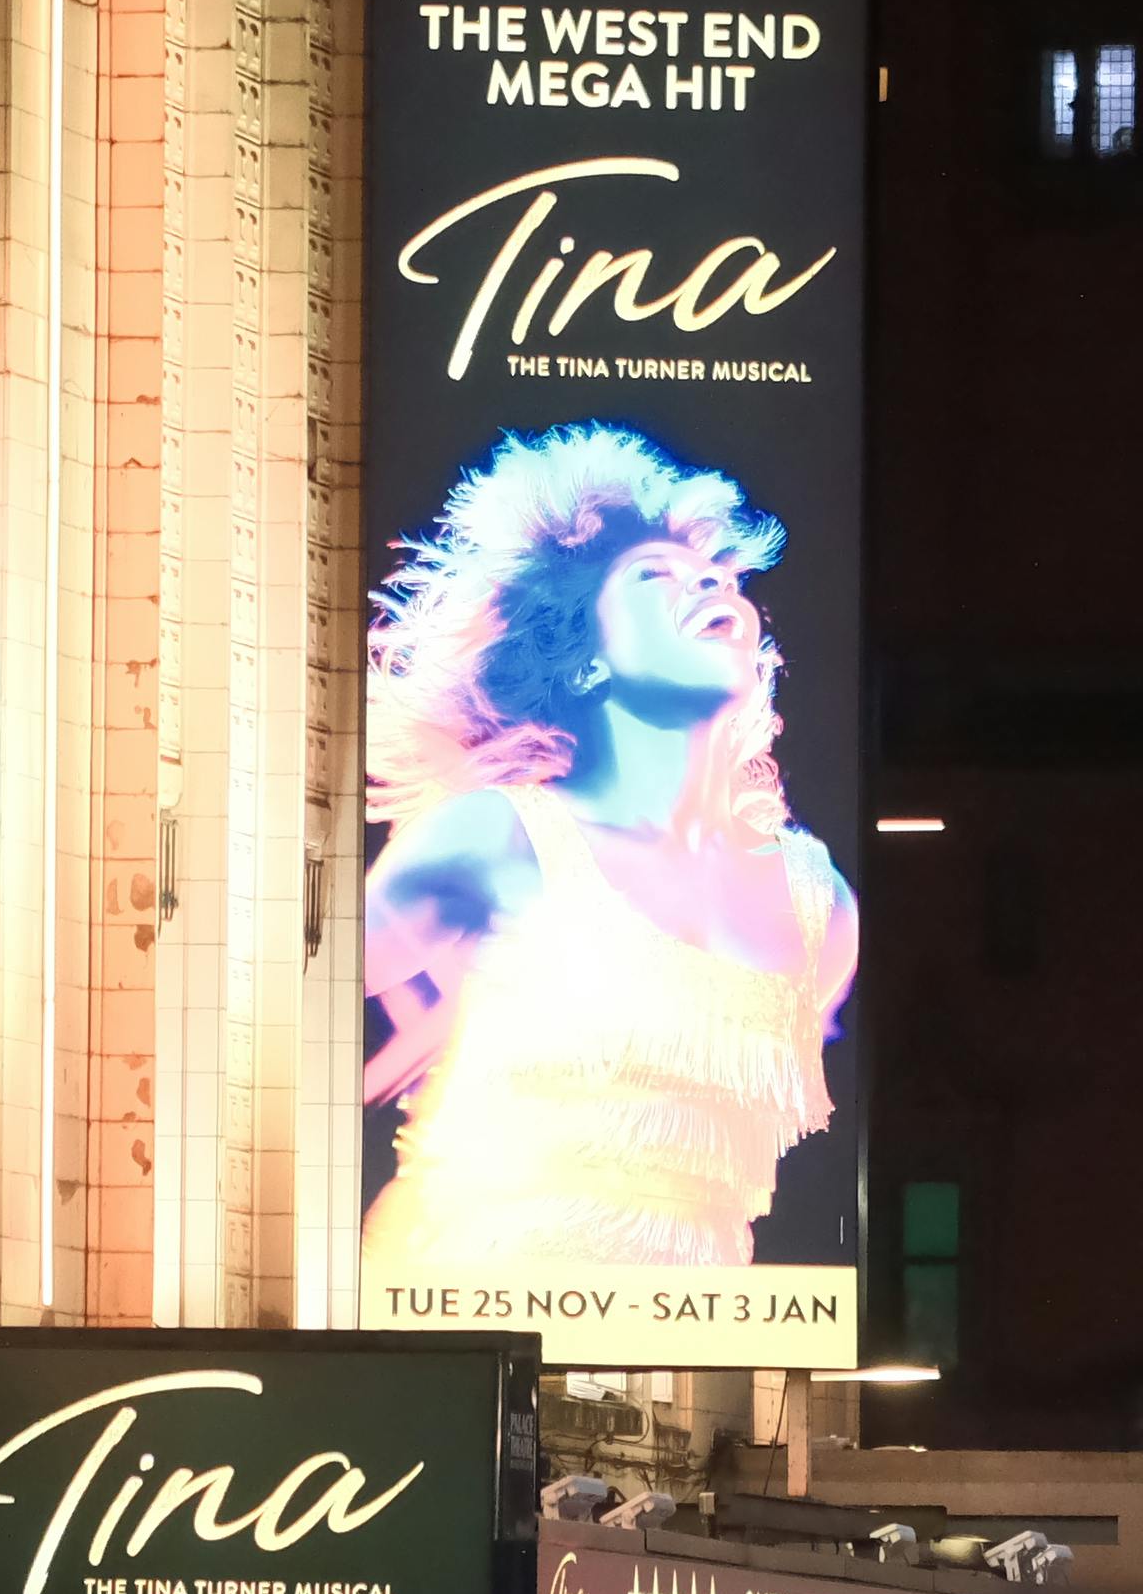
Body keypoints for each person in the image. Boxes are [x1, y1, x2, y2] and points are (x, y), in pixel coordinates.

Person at [347, 423, 862, 1307]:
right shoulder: (497, 836)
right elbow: (286, 1019)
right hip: (464, 1327)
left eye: (717, 577)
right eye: (653, 576)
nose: (709, 584)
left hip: (682, 1347)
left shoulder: (821, 906)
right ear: (584, 658)